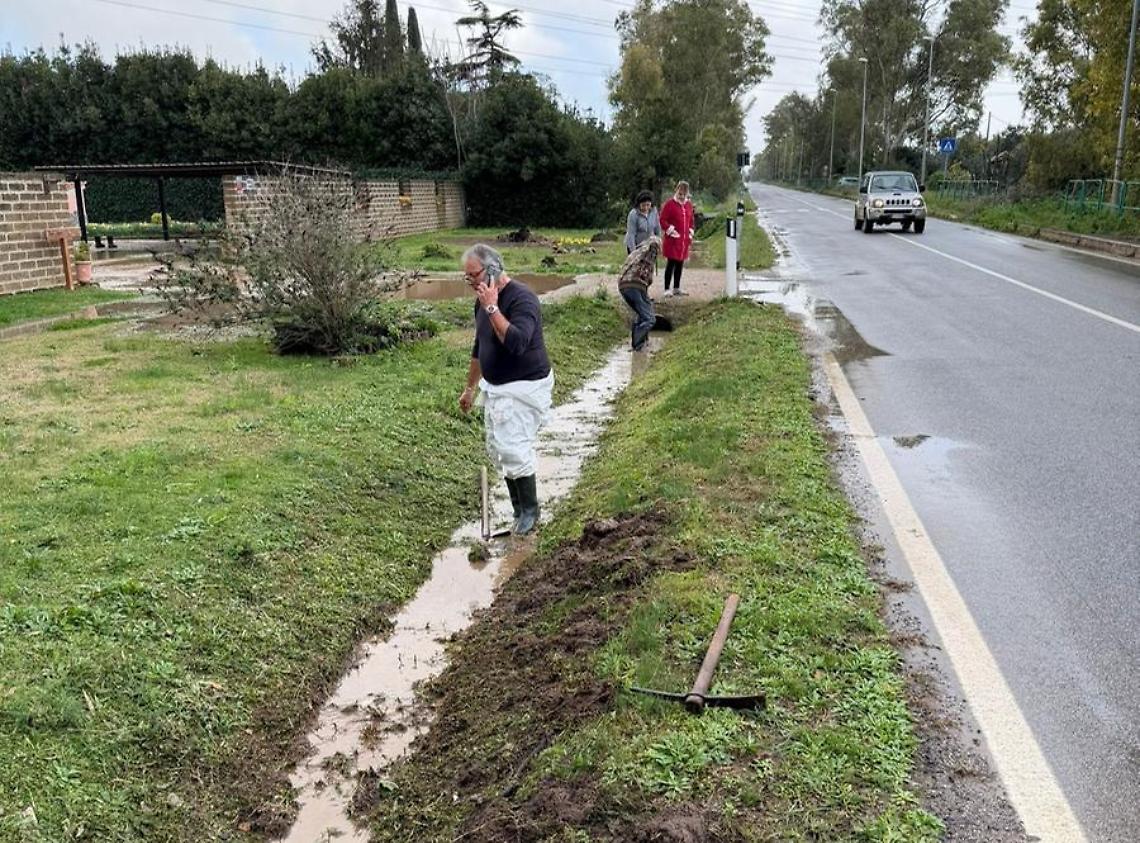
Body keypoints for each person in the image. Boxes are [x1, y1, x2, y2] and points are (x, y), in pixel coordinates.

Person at [457, 244, 553, 536]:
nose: (472, 282)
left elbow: (516, 342)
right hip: (496, 387)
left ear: (494, 268)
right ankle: (518, 509)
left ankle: (530, 512)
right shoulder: (481, 301)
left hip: (525, 386)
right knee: (500, 448)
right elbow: (480, 345)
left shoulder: (523, 299)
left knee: (514, 447)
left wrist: (492, 307)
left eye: (474, 275)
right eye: (468, 277)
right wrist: (470, 388)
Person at [618, 235, 661, 352]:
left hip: (623, 286)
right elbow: (647, 279)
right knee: (650, 319)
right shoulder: (649, 255)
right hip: (636, 287)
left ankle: (640, 342)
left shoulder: (635, 253)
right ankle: (638, 345)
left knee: (641, 314)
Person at [658, 180, 694, 296]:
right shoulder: (669, 204)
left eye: (684, 194)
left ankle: (676, 287)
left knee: (680, 263)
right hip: (673, 240)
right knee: (671, 263)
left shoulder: (688, 205)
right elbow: (662, 220)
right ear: (676, 191)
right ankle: (667, 288)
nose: (681, 196)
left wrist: (690, 232)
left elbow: (691, 221)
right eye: (680, 194)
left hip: (683, 241)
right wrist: (671, 230)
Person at [624, 190, 661, 254]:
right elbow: (631, 234)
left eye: (648, 205)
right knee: (637, 263)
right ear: (639, 204)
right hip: (636, 245)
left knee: (649, 263)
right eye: (643, 205)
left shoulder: (654, 211)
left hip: (649, 244)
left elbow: (657, 228)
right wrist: (633, 252)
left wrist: (658, 243)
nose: (646, 207)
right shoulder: (633, 214)